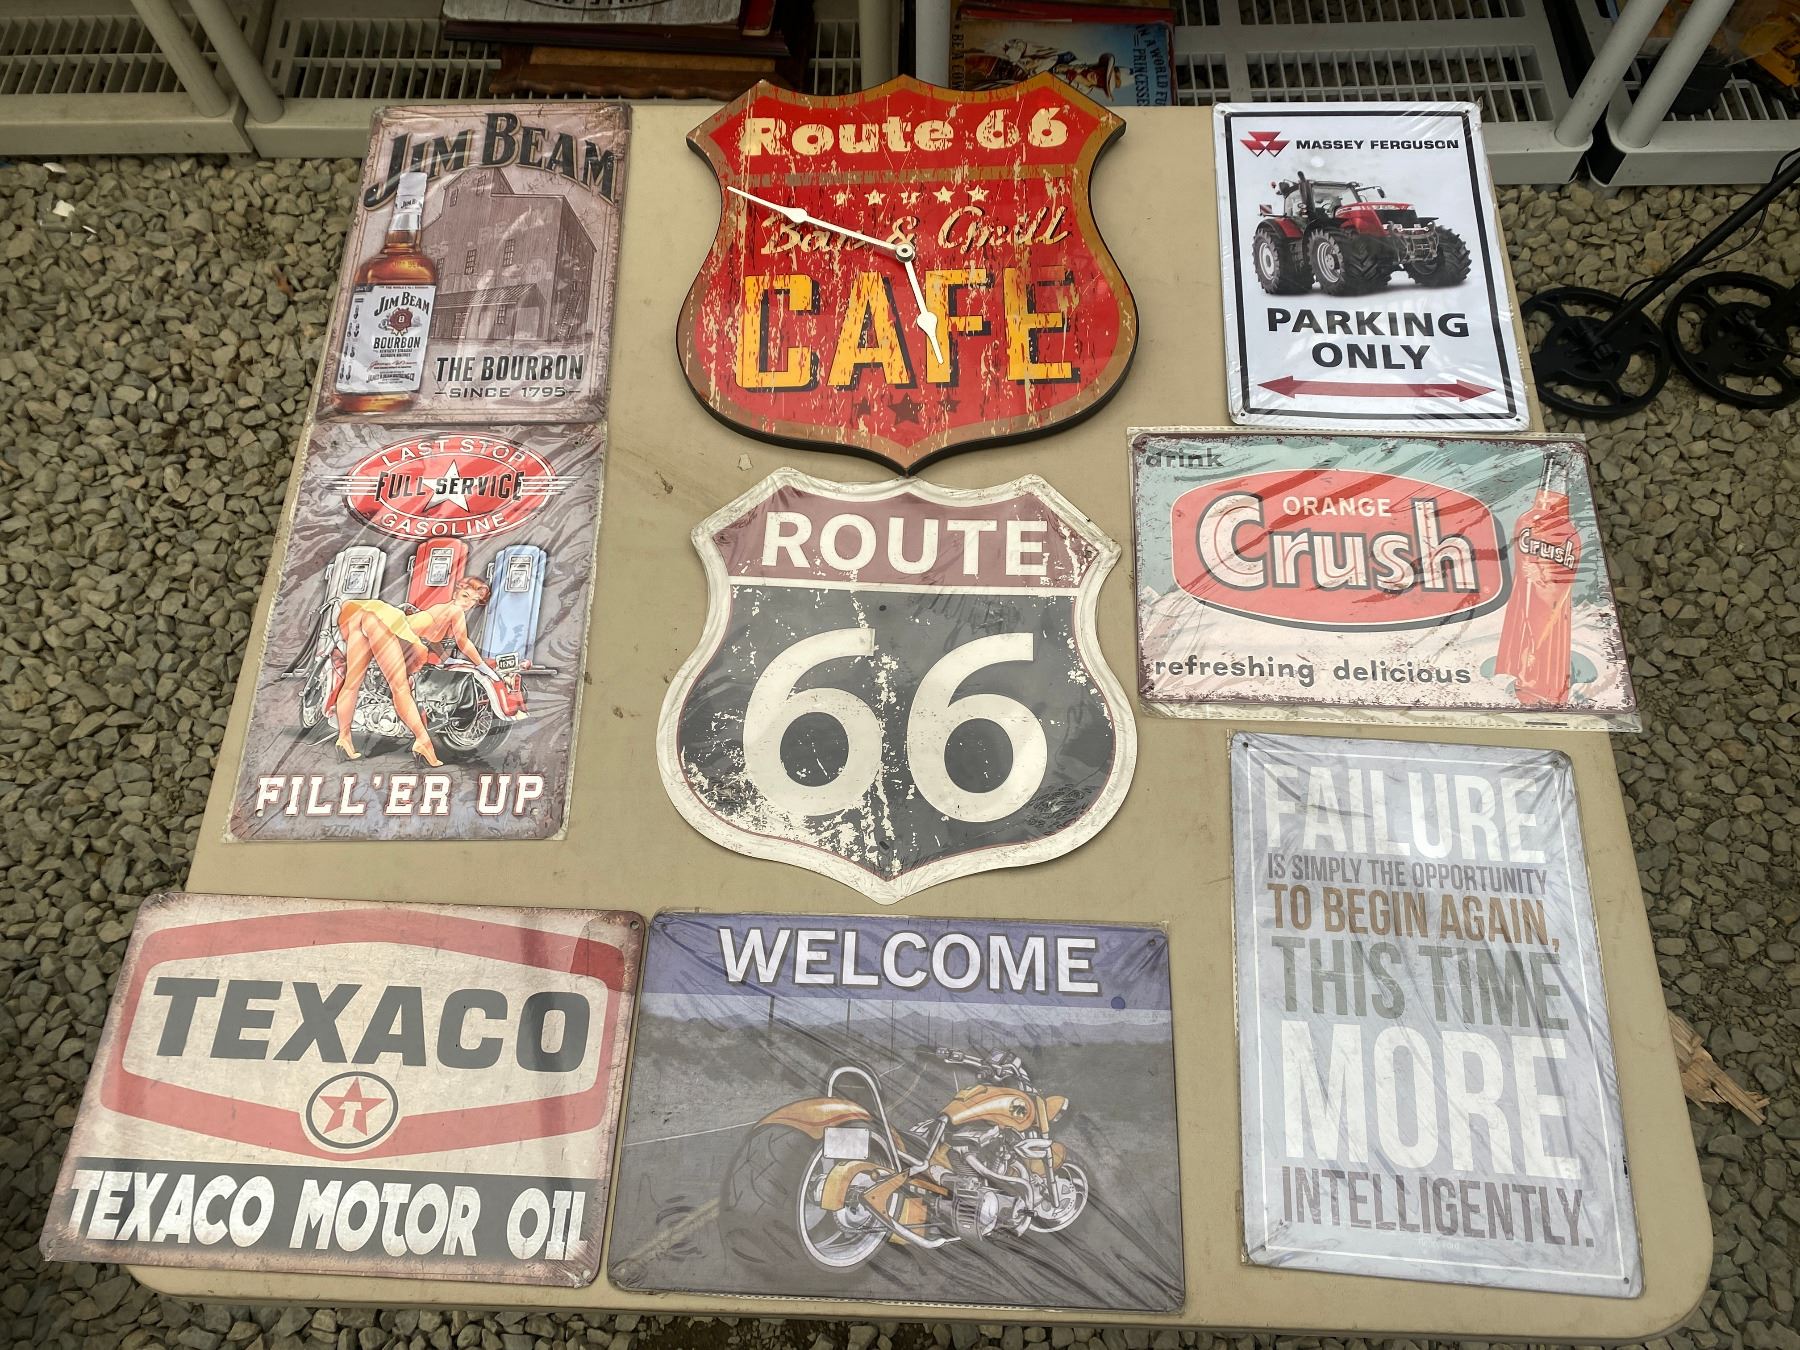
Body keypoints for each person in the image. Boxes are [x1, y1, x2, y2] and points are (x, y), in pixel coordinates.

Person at [332, 575, 494, 767]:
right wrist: (482, 666)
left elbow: (432, 637)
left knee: (351, 684)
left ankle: (344, 739)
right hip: (385, 625)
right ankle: (424, 744)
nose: (467, 603)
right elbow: (463, 642)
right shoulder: (455, 611)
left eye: (474, 600)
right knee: (400, 688)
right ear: (456, 592)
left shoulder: (440, 609)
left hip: (365, 617)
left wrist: (445, 659)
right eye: (465, 596)